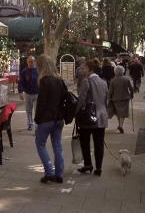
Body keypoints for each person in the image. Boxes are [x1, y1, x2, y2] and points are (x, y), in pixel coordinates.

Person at [34, 54, 68, 183]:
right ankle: (59, 174)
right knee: (57, 146)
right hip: (59, 118)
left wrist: (37, 119)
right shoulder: (60, 80)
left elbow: (41, 103)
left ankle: (49, 171)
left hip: (46, 119)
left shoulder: (45, 81)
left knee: (40, 144)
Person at [76, 59, 108, 176]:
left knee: (85, 142)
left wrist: (76, 112)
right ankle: (98, 168)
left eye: (84, 68)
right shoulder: (103, 82)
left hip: (88, 117)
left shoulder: (86, 81)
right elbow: (106, 100)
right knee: (99, 143)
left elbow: (82, 99)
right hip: (101, 116)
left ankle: (88, 165)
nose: (82, 70)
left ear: (90, 69)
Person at [108, 66, 134, 134]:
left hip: (115, 99)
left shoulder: (113, 80)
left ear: (115, 72)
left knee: (118, 113)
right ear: (123, 71)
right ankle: (120, 126)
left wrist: (108, 98)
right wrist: (131, 95)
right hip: (125, 98)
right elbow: (131, 89)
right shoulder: (126, 79)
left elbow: (110, 91)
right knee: (123, 113)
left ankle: (120, 126)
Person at [18, 56, 39, 131]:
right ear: (27, 62)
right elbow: (21, 82)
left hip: (37, 94)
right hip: (27, 94)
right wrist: (20, 92)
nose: (31, 63)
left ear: (35, 62)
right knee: (28, 110)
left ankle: (37, 126)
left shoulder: (38, 71)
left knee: (37, 111)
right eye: (29, 61)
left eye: (32, 61)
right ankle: (30, 124)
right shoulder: (24, 71)